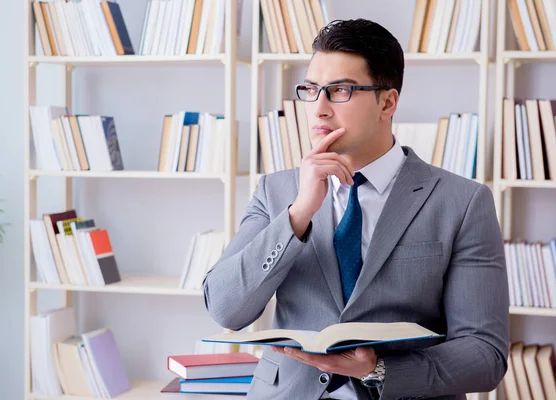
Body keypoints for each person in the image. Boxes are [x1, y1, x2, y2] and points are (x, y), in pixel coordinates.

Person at [202, 18, 509, 400]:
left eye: (340, 90)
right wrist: (298, 215)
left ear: (387, 101)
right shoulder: (276, 190)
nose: (319, 109)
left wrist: (377, 369)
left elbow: (485, 354)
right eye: (311, 90)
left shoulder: (462, 202)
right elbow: (226, 310)